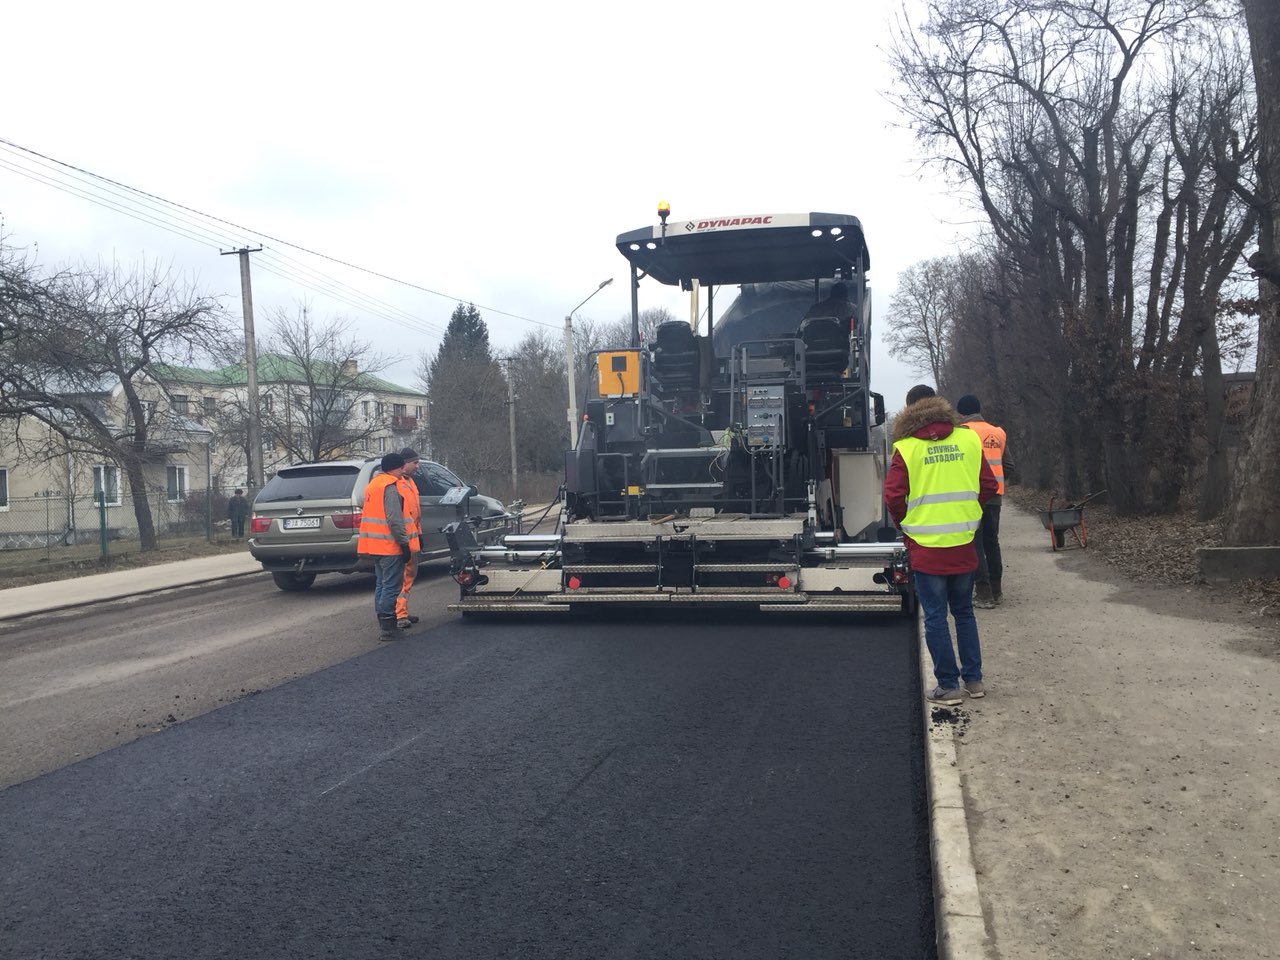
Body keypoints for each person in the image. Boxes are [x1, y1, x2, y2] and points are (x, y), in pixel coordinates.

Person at [885, 384, 998, 705]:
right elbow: (988, 485)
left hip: (925, 547)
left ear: (909, 411)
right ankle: (974, 681)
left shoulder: (906, 449)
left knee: (935, 617)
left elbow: (893, 496)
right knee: (964, 612)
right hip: (963, 542)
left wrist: (907, 525)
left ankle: (947, 686)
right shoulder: (968, 439)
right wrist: (969, 512)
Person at [356, 453, 420, 639]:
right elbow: (395, 520)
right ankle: (389, 627)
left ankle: (383, 620)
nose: (402, 472)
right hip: (389, 546)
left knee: (381, 584)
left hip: (373, 545)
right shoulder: (390, 487)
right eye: (401, 468)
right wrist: (404, 544)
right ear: (396, 468)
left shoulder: (373, 485)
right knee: (392, 586)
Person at [956, 394, 1008, 608]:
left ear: (961, 413)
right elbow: (1009, 465)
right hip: (995, 495)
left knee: (975, 543)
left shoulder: (962, 434)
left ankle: (983, 592)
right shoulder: (998, 432)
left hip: (972, 496)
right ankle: (997, 590)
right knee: (992, 541)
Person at [394, 447, 424, 630]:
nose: (417, 466)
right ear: (405, 463)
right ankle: (399, 614)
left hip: (411, 538)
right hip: (401, 540)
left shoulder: (410, 482)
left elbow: (414, 513)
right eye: (415, 462)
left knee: (408, 577)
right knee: (399, 577)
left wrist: (419, 535)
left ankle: (402, 611)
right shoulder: (395, 483)